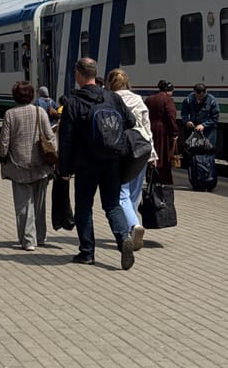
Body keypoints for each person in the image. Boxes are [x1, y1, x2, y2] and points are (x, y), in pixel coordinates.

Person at [58, 57, 136, 270]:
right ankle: (123, 239)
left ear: (78, 75)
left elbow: (65, 140)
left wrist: (64, 170)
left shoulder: (73, 102)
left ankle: (87, 253)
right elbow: (131, 122)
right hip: (112, 160)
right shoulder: (111, 98)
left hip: (85, 164)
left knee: (84, 207)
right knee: (112, 205)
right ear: (95, 73)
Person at [0, 81, 57, 251]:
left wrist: (3, 158)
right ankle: (40, 236)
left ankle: (28, 240)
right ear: (31, 95)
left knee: (24, 205)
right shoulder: (40, 112)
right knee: (39, 204)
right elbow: (50, 137)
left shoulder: (10, 114)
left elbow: (4, 141)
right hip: (40, 165)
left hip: (19, 167)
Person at [106, 68, 157, 251]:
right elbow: (147, 127)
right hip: (141, 149)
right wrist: (152, 154)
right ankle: (132, 225)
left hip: (119, 150)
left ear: (110, 83)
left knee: (121, 192)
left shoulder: (109, 99)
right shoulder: (138, 99)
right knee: (135, 192)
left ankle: (133, 225)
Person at [181, 83, 220, 192]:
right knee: (195, 153)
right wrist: (186, 121)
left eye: (200, 96)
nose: (198, 98)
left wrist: (204, 125)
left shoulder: (212, 101)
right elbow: (184, 113)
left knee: (208, 153)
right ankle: (197, 180)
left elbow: (215, 117)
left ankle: (208, 179)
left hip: (209, 132)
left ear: (204, 93)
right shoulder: (189, 99)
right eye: (196, 96)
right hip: (194, 131)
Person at [145, 80, 179, 184]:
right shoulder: (168, 100)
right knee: (163, 156)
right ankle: (163, 179)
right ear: (169, 91)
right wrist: (175, 132)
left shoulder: (149, 99)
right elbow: (171, 116)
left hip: (150, 129)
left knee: (152, 154)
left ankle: (150, 176)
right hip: (163, 131)